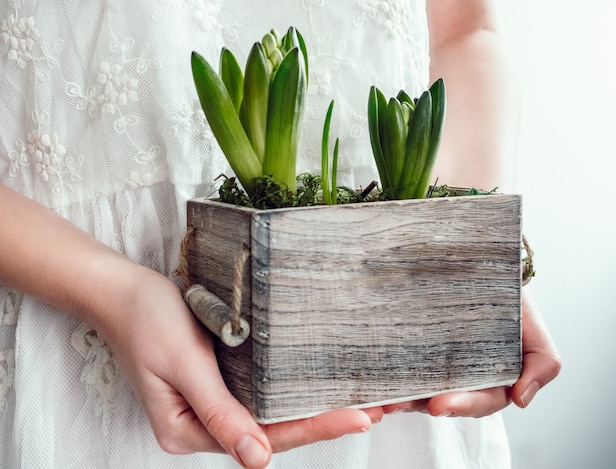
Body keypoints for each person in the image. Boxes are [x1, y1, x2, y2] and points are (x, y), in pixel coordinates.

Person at [0, 0, 561, 467]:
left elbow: (466, 31)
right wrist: (111, 291)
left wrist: (474, 243)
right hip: (82, 320)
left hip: (398, 314)